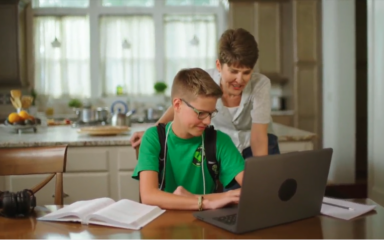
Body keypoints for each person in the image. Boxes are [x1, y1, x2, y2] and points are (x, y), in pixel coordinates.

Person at [132, 68, 245, 210]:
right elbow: (148, 196)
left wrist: (193, 199)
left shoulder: (220, 141)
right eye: (201, 113)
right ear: (177, 105)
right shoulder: (153, 138)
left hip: (205, 224)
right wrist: (203, 202)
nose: (208, 121)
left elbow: (252, 189)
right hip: (161, 224)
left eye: (211, 113)